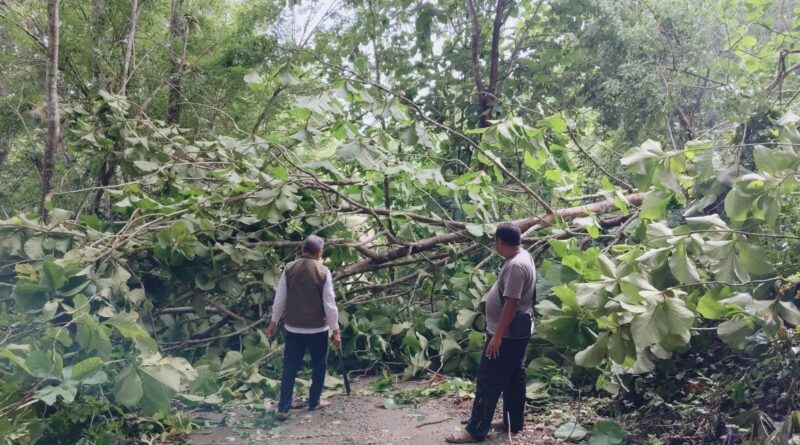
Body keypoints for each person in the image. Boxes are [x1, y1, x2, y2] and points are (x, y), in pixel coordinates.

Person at [446, 223, 536, 443]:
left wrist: (496, 336)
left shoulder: (515, 266)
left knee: (488, 380)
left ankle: (475, 430)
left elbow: (511, 304)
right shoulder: (524, 255)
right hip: (517, 333)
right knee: (514, 378)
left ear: (500, 241)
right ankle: (512, 422)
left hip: (506, 336)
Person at [265, 235, 341, 421]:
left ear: (302, 250)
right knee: (318, 366)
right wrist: (335, 331)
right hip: (317, 330)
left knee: (289, 367)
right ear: (318, 252)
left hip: (293, 328)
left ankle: (283, 408)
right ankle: (314, 402)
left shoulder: (289, 268)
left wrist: (274, 322)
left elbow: (280, 298)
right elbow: (329, 304)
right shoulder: (323, 271)